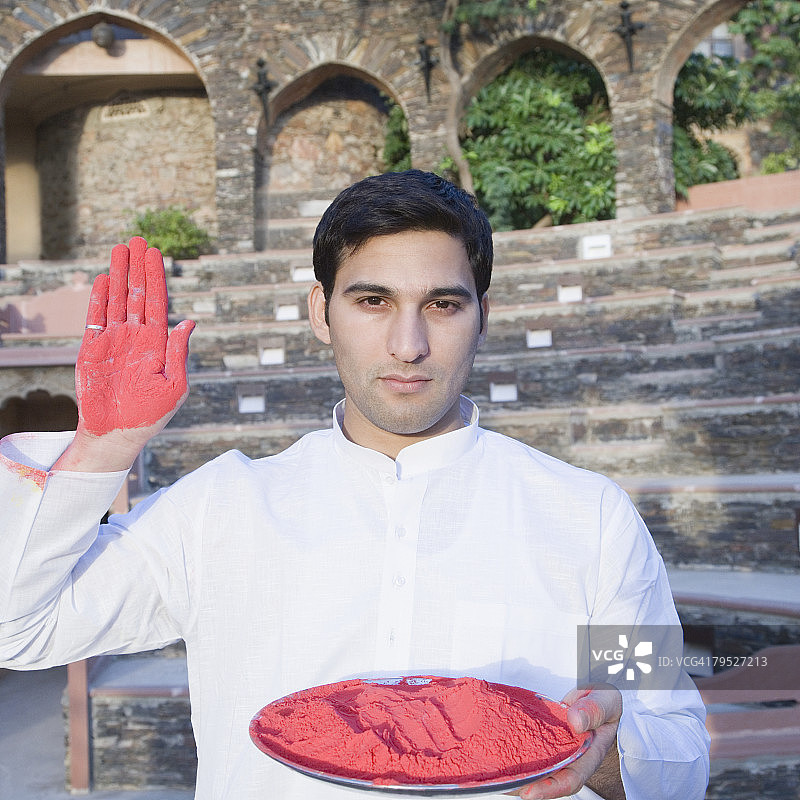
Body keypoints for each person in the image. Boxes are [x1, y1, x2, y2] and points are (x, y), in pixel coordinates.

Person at [0, 170, 709, 800]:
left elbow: (678, 746)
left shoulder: (588, 518)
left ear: (483, 317)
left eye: (443, 304)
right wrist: (104, 446)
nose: (409, 345)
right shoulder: (219, 509)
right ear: (321, 312)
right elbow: (18, 630)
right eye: (373, 300)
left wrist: (605, 755)